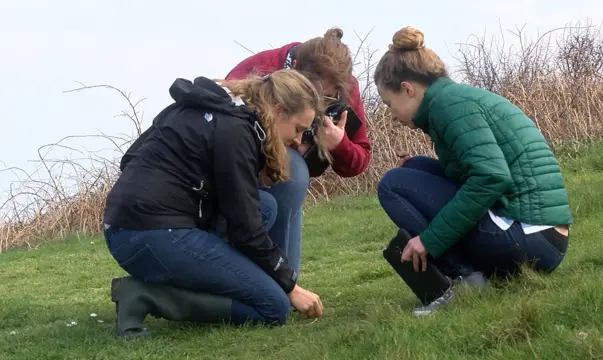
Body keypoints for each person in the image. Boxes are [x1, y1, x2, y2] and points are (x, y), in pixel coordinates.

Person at [104, 69, 325, 338]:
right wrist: (291, 287)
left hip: (129, 225)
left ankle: (199, 278)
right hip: (148, 233)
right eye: (298, 129)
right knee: (273, 305)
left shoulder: (217, 107)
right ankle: (144, 295)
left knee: (265, 206)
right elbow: (246, 229)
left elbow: (130, 158)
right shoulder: (236, 131)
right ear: (278, 110)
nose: (298, 140)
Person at [373, 26, 573, 316]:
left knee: (392, 184)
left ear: (408, 89)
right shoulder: (454, 99)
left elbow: (491, 177)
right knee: (413, 169)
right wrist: (420, 167)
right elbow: (478, 172)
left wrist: (429, 240)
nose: (391, 116)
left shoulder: (449, 106)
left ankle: (461, 281)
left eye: (389, 104)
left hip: (531, 239)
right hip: (541, 237)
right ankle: (470, 277)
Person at [225, 27, 372, 275]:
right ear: (295, 72)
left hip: (293, 174)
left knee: (293, 175)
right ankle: (260, 277)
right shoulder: (260, 69)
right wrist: (276, 136)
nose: (320, 105)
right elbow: (224, 128)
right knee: (289, 172)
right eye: (314, 96)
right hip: (240, 165)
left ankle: (283, 281)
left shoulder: (347, 87)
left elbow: (360, 161)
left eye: (329, 99)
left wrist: (339, 145)